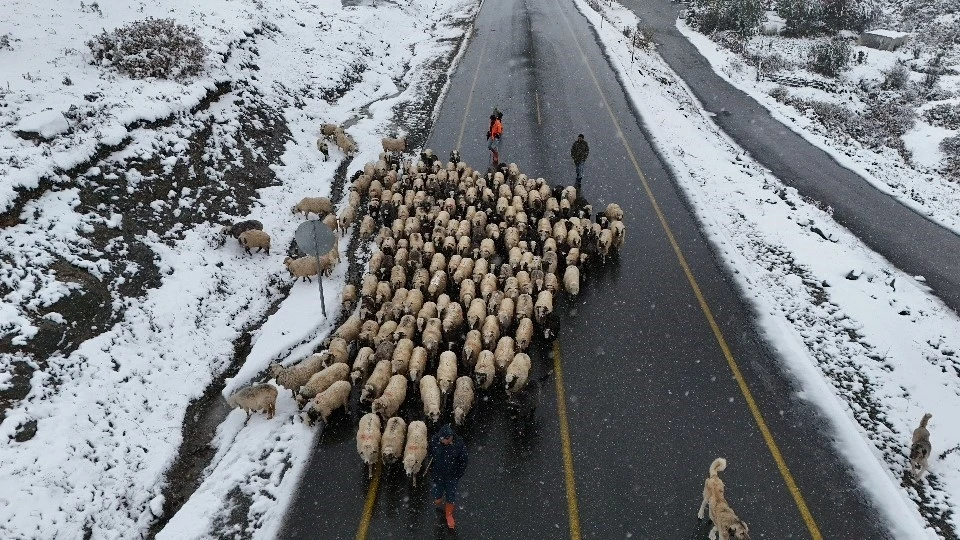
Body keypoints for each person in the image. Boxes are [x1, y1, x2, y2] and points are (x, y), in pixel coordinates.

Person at [428, 424, 469, 529]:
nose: (443, 442)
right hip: (438, 474)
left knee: (451, 495)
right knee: (437, 492)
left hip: (452, 476)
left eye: (445, 440)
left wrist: (458, 474)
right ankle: (439, 497)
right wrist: (432, 469)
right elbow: (430, 455)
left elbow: (463, 460)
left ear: (450, 437)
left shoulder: (458, 444)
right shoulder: (434, 441)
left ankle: (449, 515)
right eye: (442, 439)